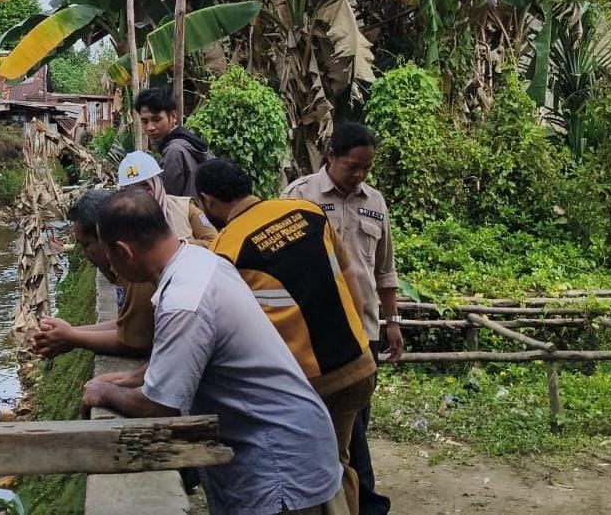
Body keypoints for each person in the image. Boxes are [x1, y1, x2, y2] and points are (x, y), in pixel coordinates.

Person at [80, 189, 348, 515]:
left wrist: (104, 392)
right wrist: (137, 376)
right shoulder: (199, 260)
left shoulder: (184, 300)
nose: (109, 264)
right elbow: (190, 354)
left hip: (277, 463)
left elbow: (158, 406)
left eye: (109, 255)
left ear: (122, 251)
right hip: (286, 447)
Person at [195, 158, 376, 515]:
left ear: (207, 201)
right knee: (341, 462)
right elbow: (350, 274)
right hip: (359, 365)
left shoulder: (226, 251)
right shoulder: (306, 212)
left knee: (323, 475)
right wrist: (362, 339)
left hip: (309, 384)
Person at [283, 123, 401, 515]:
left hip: (363, 328)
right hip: (315, 332)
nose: (360, 176)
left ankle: (350, 498)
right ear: (330, 156)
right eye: (353, 166)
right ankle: (362, 500)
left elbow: (384, 270)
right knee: (333, 421)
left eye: (367, 168)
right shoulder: (300, 196)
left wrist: (393, 320)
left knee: (356, 419)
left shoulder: (376, 202)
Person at [32, 189, 155, 358]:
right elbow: (126, 325)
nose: (85, 253)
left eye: (87, 244)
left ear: (106, 238)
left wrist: (72, 337)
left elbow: (135, 343)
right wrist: (68, 332)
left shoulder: (136, 275)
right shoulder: (129, 266)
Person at [116, 150, 216, 245]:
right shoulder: (120, 221)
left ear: (157, 184)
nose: (140, 195)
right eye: (132, 190)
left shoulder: (185, 208)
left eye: (145, 187)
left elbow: (214, 241)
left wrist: (180, 246)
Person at [134, 87, 212, 198]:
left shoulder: (174, 151)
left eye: (156, 120)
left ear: (173, 116)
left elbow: (166, 199)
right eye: (145, 121)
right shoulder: (190, 141)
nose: (150, 127)